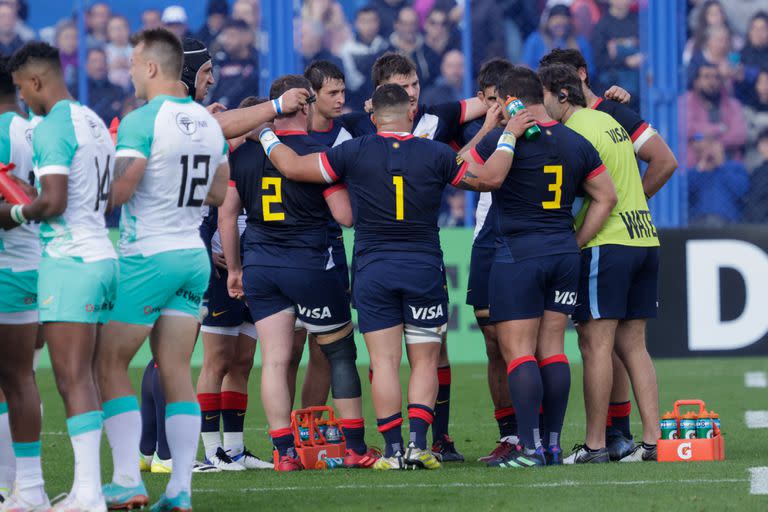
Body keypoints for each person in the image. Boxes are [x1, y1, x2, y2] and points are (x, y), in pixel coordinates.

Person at [260, 83, 475, 470]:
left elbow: (291, 166)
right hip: (423, 265)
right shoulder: (438, 153)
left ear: (373, 118)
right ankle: (417, 444)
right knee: (425, 361)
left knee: (385, 362)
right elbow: (488, 178)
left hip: (373, 268)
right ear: (411, 113)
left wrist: (263, 133)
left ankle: (391, 450)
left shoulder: (353, 151)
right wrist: (506, 135)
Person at [95, 28, 229, 511]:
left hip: (149, 254)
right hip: (192, 257)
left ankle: (128, 478)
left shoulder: (139, 121)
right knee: (175, 370)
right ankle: (179, 493)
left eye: (133, 63)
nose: (129, 71)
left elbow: (120, 191)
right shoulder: (210, 123)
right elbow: (217, 193)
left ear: (152, 68)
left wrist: (93, 172)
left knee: (107, 362)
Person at [459, 66, 617, 468]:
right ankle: (550, 445)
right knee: (553, 348)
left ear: (511, 100)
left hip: (517, 254)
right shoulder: (575, 141)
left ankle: (528, 448)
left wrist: (500, 131)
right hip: (563, 254)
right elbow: (605, 197)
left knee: (517, 351)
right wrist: (576, 241)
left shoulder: (502, 138)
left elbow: (460, 168)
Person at [223, 74, 378, 471]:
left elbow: (227, 213)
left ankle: (284, 453)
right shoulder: (317, 150)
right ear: (305, 106)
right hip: (311, 263)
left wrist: (235, 268)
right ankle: (355, 447)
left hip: (260, 263)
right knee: (339, 351)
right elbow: (344, 216)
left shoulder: (243, 155)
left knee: (274, 359)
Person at [539, 47, 678, 459]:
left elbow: (592, 193)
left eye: (543, 96)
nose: (540, 105)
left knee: (594, 344)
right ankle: (653, 441)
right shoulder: (610, 120)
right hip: (643, 239)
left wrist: (575, 239)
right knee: (634, 346)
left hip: (606, 244)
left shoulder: (575, 132)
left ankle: (597, 445)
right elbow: (646, 169)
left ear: (563, 95)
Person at [1, 41, 118, 511]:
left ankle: (53, 490)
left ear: (33, 81)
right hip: (79, 255)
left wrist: (14, 211)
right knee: (65, 376)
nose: (25, 99)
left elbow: (51, 201)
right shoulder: (89, 120)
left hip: (57, 259)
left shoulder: (49, 125)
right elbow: (100, 194)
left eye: (25, 90)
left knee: (57, 377)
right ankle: (42, 488)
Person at [197, 97, 272, 472]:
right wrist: (209, 256)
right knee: (217, 361)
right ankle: (211, 452)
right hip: (219, 278)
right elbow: (202, 219)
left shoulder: (268, 162)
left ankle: (236, 449)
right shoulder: (218, 165)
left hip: (254, 274)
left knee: (242, 362)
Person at [0, 55, 47, 510]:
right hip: (41, 264)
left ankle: (20, 486)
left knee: (13, 380)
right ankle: (21, 485)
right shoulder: (37, 129)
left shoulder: (1, 134)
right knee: (21, 378)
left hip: (7, 269)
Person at [682, 63, 747, 167]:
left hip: (728, 162)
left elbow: (739, 135)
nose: (712, 82)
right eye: (707, 77)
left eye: (716, 77)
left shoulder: (733, 105)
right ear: (696, 81)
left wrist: (718, 144)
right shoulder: (685, 102)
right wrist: (718, 129)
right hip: (695, 165)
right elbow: (687, 129)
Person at [687, 134, 748, 225]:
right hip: (699, 221)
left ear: (720, 147)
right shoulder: (695, 171)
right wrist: (701, 168)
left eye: (711, 146)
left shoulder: (735, 167)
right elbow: (686, 191)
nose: (709, 151)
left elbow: (741, 191)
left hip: (727, 221)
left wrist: (721, 165)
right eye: (702, 150)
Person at [591, 0, 641, 107]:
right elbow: (598, 60)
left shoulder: (639, 22)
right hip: (612, 92)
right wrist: (626, 62)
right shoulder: (602, 26)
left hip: (639, 91)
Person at [338, 6, 389, 110]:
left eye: (372, 21)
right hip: (356, 101)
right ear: (356, 23)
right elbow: (352, 83)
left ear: (378, 23)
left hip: (385, 99)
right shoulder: (346, 49)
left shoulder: (386, 45)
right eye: (364, 21)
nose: (368, 26)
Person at [522, 4, 594, 77]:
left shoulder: (580, 41)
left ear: (569, 24)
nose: (560, 30)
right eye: (556, 26)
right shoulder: (536, 39)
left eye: (563, 26)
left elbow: (590, 71)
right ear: (548, 22)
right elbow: (525, 66)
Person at [209, 19, 259, 109]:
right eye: (225, 35)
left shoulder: (257, 62)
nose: (227, 40)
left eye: (232, 35)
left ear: (246, 37)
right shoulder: (218, 62)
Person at [388, 7, 440, 88]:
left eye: (413, 23)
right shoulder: (384, 54)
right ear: (396, 25)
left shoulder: (430, 54)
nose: (409, 28)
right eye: (405, 24)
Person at [80, 48, 125, 124]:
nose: (98, 66)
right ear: (86, 65)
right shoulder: (76, 90)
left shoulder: (118, 91)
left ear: (107, 65)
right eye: (94, 61)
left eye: (102, 61)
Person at [105, 15, 132, 91]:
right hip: (110, 91)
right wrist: (110, 66)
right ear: (108, 33)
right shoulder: (104, 51)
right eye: (114, 29)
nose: (118, 32)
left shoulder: (138, 50)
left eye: (121, 28)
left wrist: (128, 65)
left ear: (128, 29)